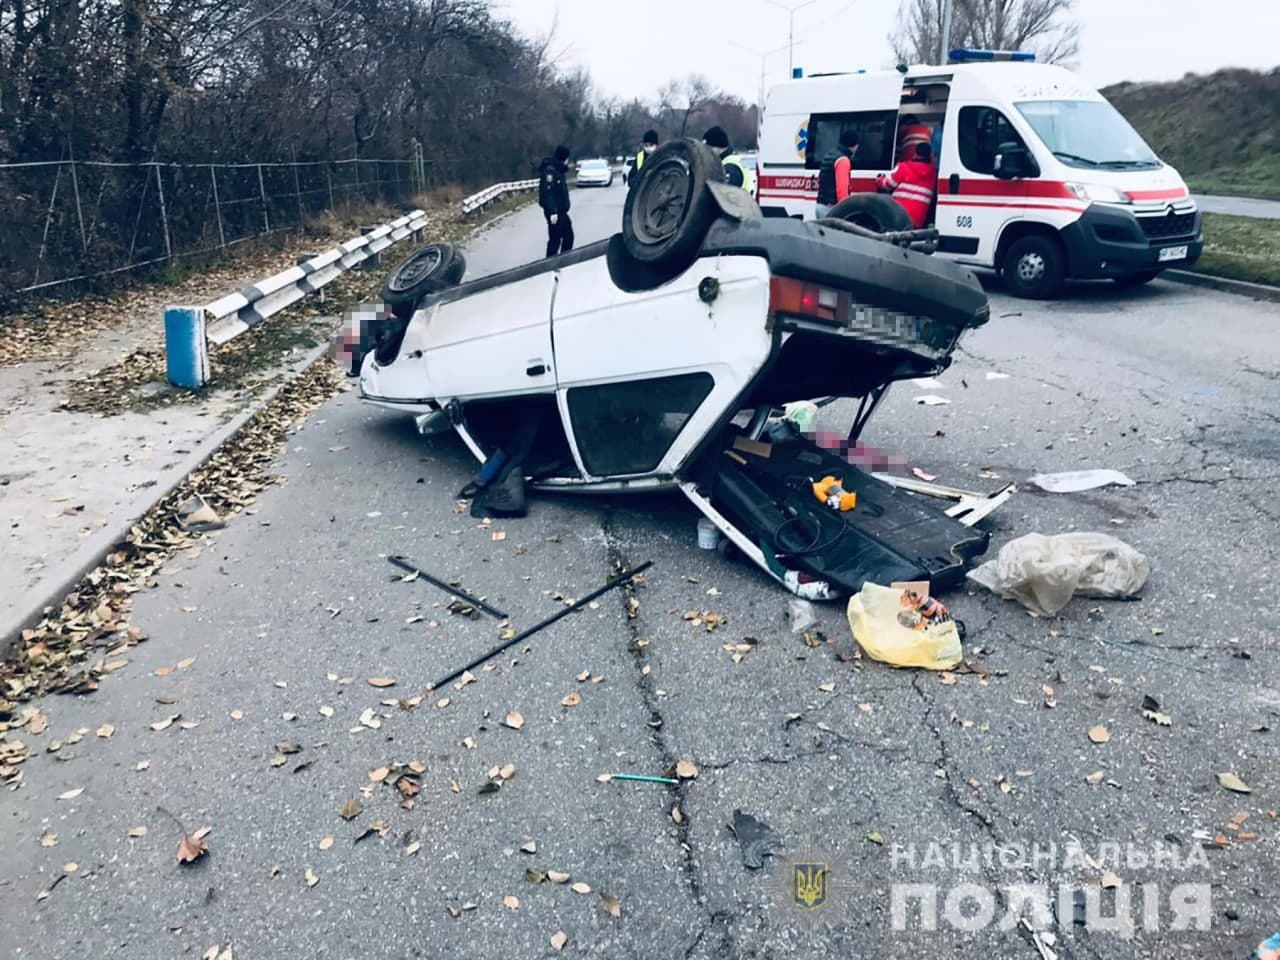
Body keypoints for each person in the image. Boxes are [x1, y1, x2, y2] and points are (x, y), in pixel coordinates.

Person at [875, 141, 937, 229]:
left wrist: (879, 180)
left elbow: (888, 184)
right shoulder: (933, 173)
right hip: (917, 220)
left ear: (915, 153)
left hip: (898, 215)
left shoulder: (904, 167)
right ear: (930, 155)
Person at [538, 145, 574, 257]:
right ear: (563, 158)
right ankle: (550, 264)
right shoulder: (550, 173)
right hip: (555, 212)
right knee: (556, 239)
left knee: (568, 237)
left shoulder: (558, 171)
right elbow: (547, 193)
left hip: (561, 211)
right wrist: (553, 211)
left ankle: (563, 260)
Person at [815, 129, 859, 219]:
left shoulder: (830, 154)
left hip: (821, 206)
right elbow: (842, 190)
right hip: (832, 209)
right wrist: (845, 212)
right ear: (855, 146)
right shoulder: (843, 160)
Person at [702, 126, 753, 194]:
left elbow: (722, 195)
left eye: (708, 148)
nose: (706, 152)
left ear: (717, 147)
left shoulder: (729, 168)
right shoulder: (731, 161)